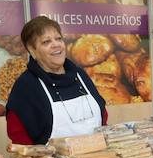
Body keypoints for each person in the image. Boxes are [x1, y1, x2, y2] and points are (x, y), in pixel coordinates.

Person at [6, 16, 107, 144]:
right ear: (32, 50)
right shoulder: (27, 85)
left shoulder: (80, 75)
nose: (56, 45)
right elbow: (18, 134)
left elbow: (102, 112)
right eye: (46, 42)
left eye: (58, 39)